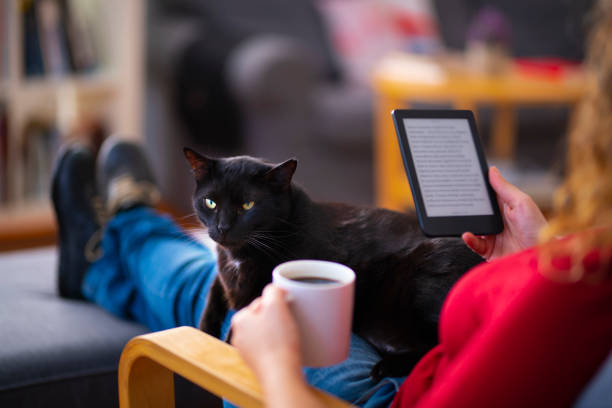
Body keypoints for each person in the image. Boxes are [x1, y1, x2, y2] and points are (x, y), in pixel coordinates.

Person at [51, 2, 611, 408]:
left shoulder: (581, 300)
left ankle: (118, 234)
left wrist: (272, 362)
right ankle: (118, 238)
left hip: (387, 391)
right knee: (227, 274)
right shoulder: (587, 276)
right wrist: (534, 258)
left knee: (218, 286)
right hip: (418, 346)